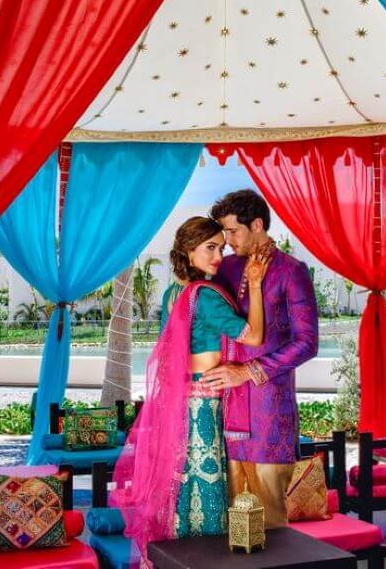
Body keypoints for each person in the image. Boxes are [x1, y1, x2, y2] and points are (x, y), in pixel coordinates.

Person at [111, 216, 268, 564]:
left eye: (221, 247)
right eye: (210, 247)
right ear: (188, 250)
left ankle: (174, 559)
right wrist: (255, 286)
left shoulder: (173, 293)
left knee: (178, 483)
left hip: (180, 398)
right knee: (206, 481)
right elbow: (254, 336)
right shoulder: (207, 296)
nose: (218, 255)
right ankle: (206, 559)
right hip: (205, 401)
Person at [202, 189, 319, 529]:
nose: (227, 240)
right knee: (229, 522)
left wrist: (249, 371)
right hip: (224, 409)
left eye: (233, 231)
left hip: (270, 414)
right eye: (223, 233)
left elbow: (308, 342)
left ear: (256, 224)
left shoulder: (291, 271)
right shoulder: (223, 271)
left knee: (270, 521)